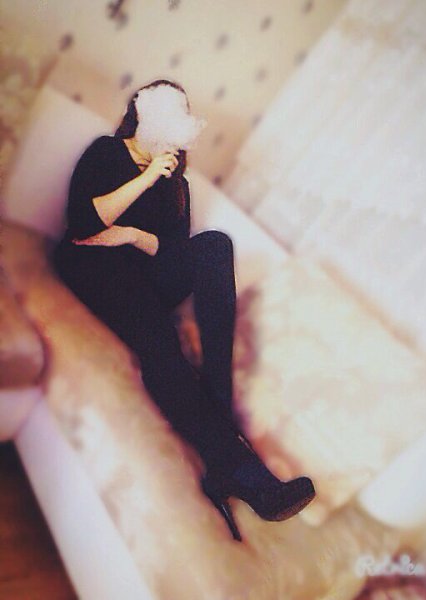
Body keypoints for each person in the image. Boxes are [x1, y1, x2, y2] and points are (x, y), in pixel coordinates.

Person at [51, 79, 315, 543]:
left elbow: (171, 249)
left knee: (214, 245)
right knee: (161, 344)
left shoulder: (177, 183)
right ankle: (241, 472)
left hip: (143, 272)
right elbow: (84, 223)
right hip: (96, 268)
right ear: (142, 114)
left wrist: (134, 235)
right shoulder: (106, 153)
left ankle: (218, 399)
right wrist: (146, 176)